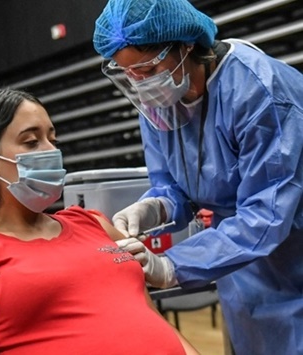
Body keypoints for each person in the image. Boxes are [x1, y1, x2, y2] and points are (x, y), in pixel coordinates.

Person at [92, 0, 303, 354]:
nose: (141, 83)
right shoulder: (160, 101)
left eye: (147, 68)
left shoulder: (260, 91)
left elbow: (266, 213)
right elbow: (177, 185)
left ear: (185, 44)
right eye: (129, 73)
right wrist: (156, 206)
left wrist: (173, 265)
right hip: (243, 272)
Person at [0, 88, 197, 354]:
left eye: (53, 139)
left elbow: (148, 313)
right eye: (31, 141)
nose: (50, 150)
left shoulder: (93, 223)